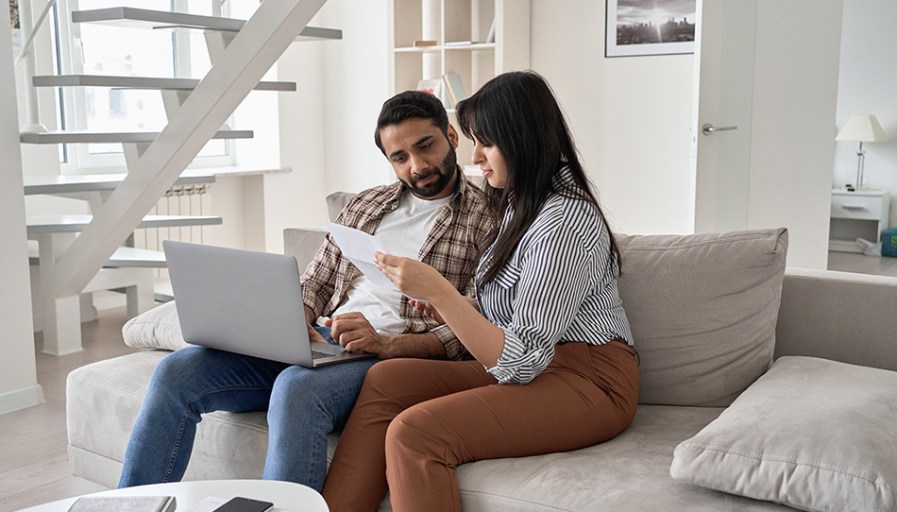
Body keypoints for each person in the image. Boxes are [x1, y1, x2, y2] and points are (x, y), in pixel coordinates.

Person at [118, 90, 497, 493]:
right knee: (177, 372)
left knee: (295, 389)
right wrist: (292, 320)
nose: (417, 166)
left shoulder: (488, 218)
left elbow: (468, 330)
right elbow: (314, 282)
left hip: (385, 358)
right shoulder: (366, 204)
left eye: (426, 146)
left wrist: (385, 343)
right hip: (322, 341)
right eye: (400, 157)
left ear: (452, 137)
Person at [321, 71, 640, 512]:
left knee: (415, 433)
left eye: (485, 143)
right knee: (387, 378)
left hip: (589, 380)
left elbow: (523, 361)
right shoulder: (521, 203)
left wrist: (441, 291)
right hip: (545, 364)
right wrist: (444, 306)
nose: (475, 156)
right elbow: (513, 312)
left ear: (521, 139)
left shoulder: (564, 222)